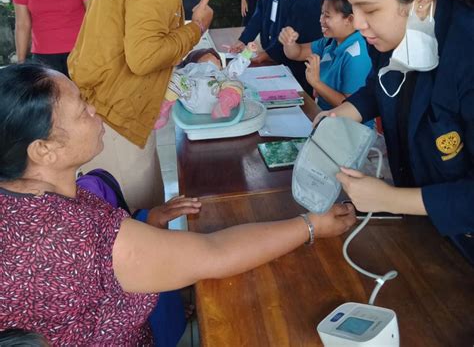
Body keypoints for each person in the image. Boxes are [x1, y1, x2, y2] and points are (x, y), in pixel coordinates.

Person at [0, 63, 356, 345]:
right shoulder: (69, 236)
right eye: (81, 110)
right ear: (43, 149)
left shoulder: (20, 201)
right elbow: (214, 253)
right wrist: (310, 225)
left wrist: (145, 223)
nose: (95, 110)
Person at [316, 0, 474, 264]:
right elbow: (381, 86)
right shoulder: (387, 34)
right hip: (429, 232)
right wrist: (347, 111)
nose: (358, 23)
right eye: (352, 7)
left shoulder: (466, 52)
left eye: (368, 8)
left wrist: (389, 200)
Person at [67, 0, 216, 209]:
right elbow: (145, 56)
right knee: (134, 219)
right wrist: (197, 28)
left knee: (125, 211)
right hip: (118, 114)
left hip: (103, 103)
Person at [279, 0, 372, 117]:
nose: (321, 20)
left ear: (350, 20)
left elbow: (352, 107)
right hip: (325, 116)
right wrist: (289, 42)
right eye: (322, 14)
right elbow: (297, 53)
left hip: (348, 129)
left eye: (327, 16)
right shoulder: (330, 42)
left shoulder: (357, 56)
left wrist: (317, 83)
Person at [154, 43, 257, 128]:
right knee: (175, 80)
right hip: (191, 94)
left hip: (216, 97)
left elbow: (237, 66)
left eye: (217, 60)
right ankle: (162, 109)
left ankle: (225, 103)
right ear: (194, 62)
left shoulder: (222, 73)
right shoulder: (190, 70)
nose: (214, 61)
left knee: (235, 83)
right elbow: (174, 76)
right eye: (206, 59)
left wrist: (247, 52)